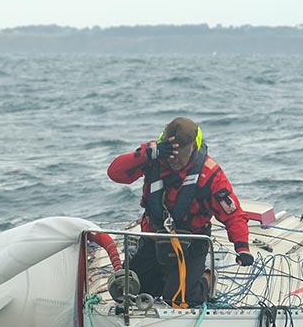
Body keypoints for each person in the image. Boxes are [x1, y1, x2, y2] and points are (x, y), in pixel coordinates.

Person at [107, 117, 252, 307]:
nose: (174, 162)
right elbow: (114, 173)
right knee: (130, 290)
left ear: (193, 148)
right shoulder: (152, 156)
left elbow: (233, 215)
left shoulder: (210, 174)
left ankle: (207, 280)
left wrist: (242, 247)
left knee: (180, 298)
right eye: (171, 158)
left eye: (180, 159)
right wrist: (148, 154)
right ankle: (163, 280)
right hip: (154, 237)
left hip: (192, 243)